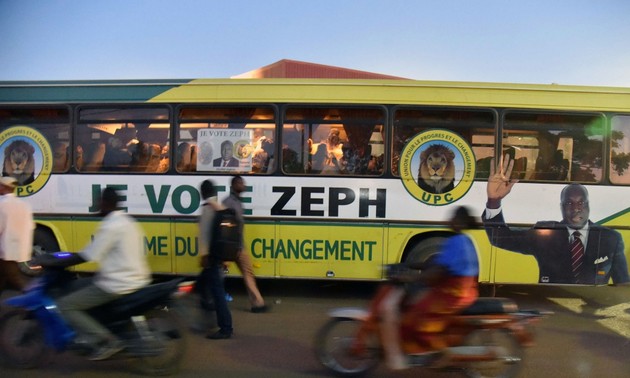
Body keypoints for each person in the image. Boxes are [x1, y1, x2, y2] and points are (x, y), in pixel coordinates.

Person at [483, 154, 630, 285]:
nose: (576, 208)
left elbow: (623, 283)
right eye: (569, 203)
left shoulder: (611, 239)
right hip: (553, 308)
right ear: (561, 207)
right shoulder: (545, 234)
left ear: (588, 205)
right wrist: (493, 201)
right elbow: (500, 238)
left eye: (581, 203)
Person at [49, 187, 151, 360]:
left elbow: (89, 255)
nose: (97, 206)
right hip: (135, 277)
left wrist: (58, 262)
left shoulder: (111, 225)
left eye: (99, 202)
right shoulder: (127, 221)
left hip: (116, 283)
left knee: (65, 305)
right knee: (77, 286)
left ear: (105, 204)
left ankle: (107, 340)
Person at [378, 206, 479, 370]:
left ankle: (444, 353)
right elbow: (435, 263)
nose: (449, 220)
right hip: (459, 290)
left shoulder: (456, 242)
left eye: (453, 217)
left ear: (459, 222)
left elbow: (437, 271)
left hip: (455, 293)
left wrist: (410, 277)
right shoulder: (462, 240)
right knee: (416, 303)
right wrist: (407, 264)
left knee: (417, 318)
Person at [222, 175, 268, 313]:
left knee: (248, 273)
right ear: (235, 185)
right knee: (217, 276)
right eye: (241, 183)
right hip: (231, 247)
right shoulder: (229, 202)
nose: (244, 185)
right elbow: (224, 225)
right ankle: (210, 301)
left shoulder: (236, 202)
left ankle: (258, 304)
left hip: (239, 245)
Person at [197, 179, 233, 339]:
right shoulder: (221, 208)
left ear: (203, 193)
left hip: (211, 258)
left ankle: (225, 328)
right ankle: (207, 316)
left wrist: (204, 256)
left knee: (217, 293)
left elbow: (204, 235)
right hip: (219, 256)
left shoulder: (207, 209)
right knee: (202, 285)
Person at [0, 176, 34, 295]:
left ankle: (35, 299)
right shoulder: (24, 205)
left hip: (5, 249)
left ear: (3, 188)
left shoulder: (1, 204)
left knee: (15, 279)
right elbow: (30, 226)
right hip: (18, 248)